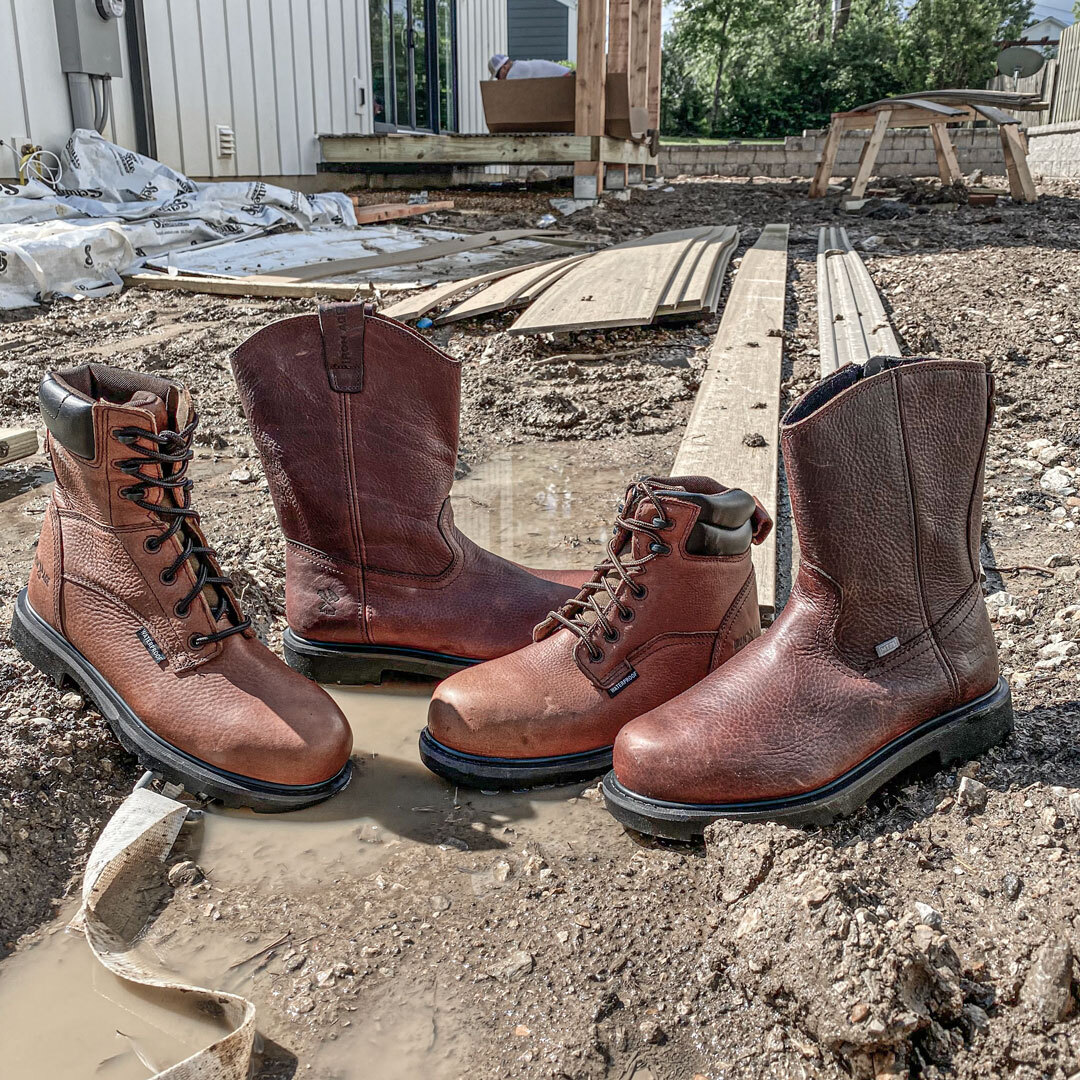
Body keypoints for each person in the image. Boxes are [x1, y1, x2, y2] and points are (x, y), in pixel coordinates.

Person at [488, 53, 574, 79]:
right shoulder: (518, 66)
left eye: (498, 76)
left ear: (504, 68)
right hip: (567, 76)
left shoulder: (512, 74)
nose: (499, 80)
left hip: (566, 79)